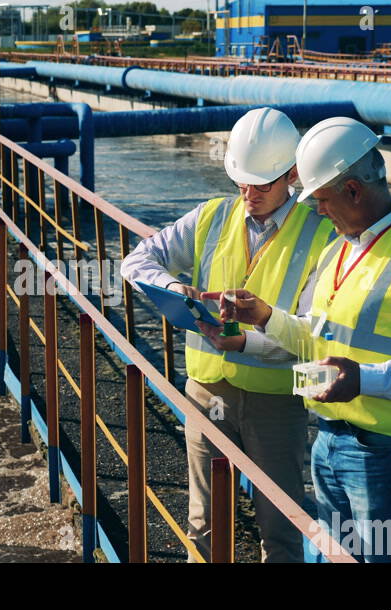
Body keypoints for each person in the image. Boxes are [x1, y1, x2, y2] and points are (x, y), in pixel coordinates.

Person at [204, 117, 391, 563]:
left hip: (388, 450)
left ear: (353, 190)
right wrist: (266, 316)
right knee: (335, 558)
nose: (315, 211)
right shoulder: (339, 247)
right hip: (330, 437)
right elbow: (316, 335)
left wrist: (364, 380)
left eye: (322, 199)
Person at [121, 107, 335, 563]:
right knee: (204, 521)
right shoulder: (212, 217)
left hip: (277, 400)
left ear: (292, 175)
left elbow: (314, 333)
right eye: (242, 181)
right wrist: (176, 288)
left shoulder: (321, 236)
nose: (249, 193)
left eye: (262, 184)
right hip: (205, 392)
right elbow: (136, 262)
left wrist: (246, 341)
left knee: (280, 526)